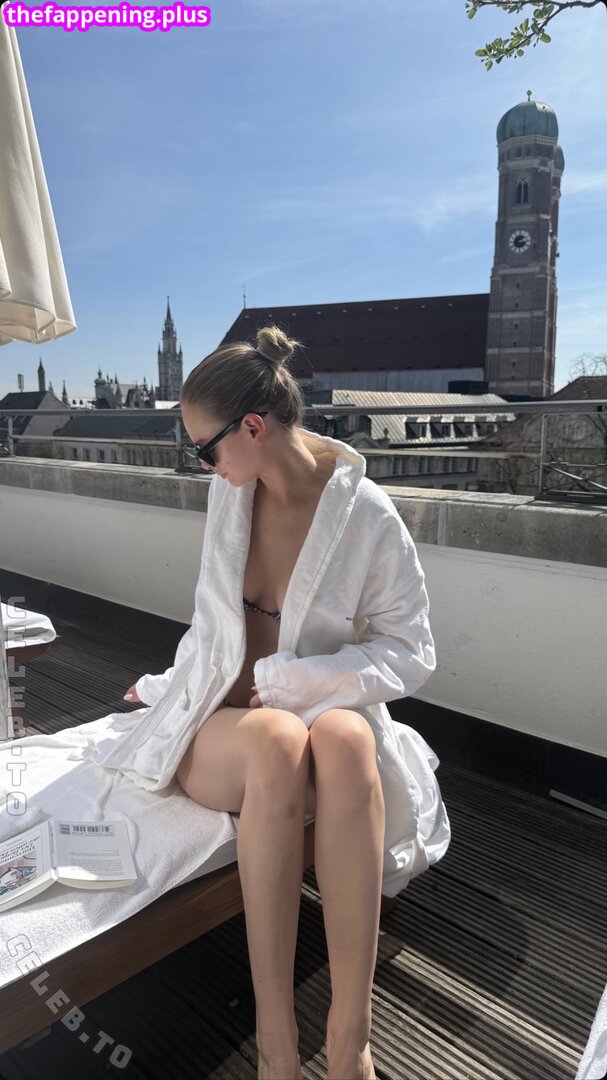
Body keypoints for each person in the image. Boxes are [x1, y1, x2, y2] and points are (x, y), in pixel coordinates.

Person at [124, 324, 448, 1080]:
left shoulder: (366, 516)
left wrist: (307, 680)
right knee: (274, 740)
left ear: (253, 427)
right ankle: (276, 1042)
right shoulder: (228, 498)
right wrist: (166, 688)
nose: (203, 466)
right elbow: (211, 630)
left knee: (348, 741)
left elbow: (411, 650)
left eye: (205, 450)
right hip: (229, 729)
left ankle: (350, 1037)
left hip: (311, 715)